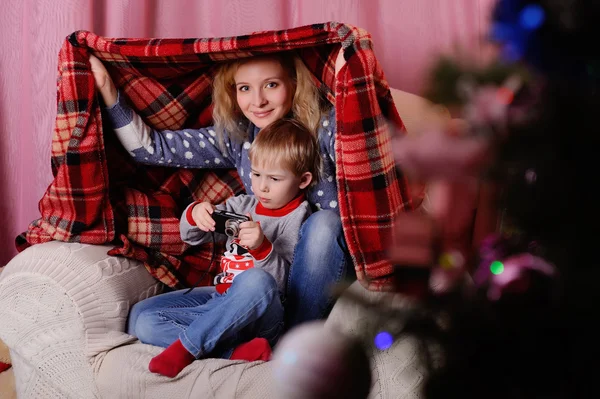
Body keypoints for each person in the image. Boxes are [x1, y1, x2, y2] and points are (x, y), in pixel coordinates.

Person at [89, 50, 352, 330]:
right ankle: (244, 340)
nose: (258, 100)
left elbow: (361, 137)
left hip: (316, 274)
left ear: (294, 82)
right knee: (142, 320)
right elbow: (152, 149)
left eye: (271, 85)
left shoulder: (324, 127)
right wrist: (107, 88)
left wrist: (350, 83)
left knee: (324, 223)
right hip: (246, 288)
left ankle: (294, 333)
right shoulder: (239, 138)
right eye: (244, 88)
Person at [129, 118, 320, 378]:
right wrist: (196, 214)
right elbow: (190, 236)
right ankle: (235, 352)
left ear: (303, 180)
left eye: (275, 178)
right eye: (256, 174)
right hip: (221, 299)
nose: (262, 186)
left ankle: (186, 349)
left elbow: (284, 287)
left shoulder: (300, 218)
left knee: (255, 280)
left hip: (262, 316)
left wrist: (263, 248)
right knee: (141, 318)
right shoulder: (244, 205)